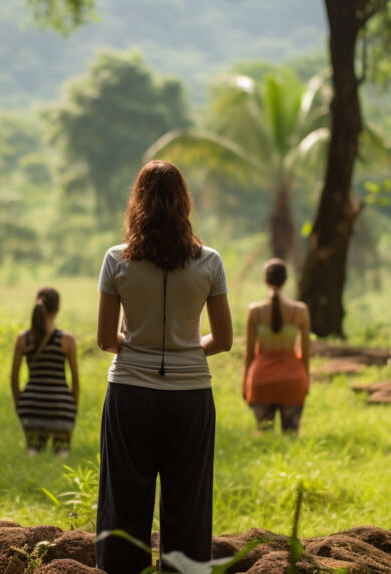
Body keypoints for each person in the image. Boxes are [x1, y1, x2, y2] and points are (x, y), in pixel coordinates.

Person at [95, 160, 233, 573]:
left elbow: (105, 340)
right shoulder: (209, 262)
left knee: (124, 504)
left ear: (137, 202)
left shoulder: (116, 260)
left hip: (129, 395)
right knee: (187, 507)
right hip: (190, 398)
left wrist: (139, 347)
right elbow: (223, 340)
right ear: (184, 203)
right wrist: (185, 351)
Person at [10, 287, 80, 458]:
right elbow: (75, 381)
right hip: (60, 406)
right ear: (57, 310)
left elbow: (13, 378)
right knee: (61, 454)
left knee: (33, 451)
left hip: (31, 406)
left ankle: (32, 454)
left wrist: (21, 404)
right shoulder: (67, 340)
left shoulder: (23, 339)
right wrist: (72, 409)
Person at [242, 258, 310, 433]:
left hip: (261, 380)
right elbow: (306, 352)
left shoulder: (255, 311)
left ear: (265, 280)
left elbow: (249, 352)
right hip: (293, 379)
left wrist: (245, 383)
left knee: (264, 438)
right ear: (285, 280)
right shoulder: (300, 310)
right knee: (291, 436)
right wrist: (306, 381)